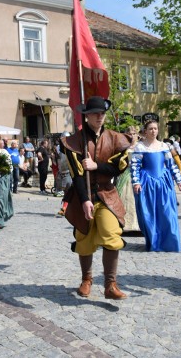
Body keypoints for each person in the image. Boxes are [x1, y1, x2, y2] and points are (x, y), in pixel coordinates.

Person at [61, 96, 132, 300]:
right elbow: (77, 175)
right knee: (84, 238)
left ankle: (110, 284)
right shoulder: (75, 141)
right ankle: (87, 279)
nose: (100, 116)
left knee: (111, 235)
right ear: (87, 116)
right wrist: (84, 200)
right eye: (95, 113)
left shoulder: (115, 138)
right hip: (83, 195)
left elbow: (119, 167)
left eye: (102, 113)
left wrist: (96, 166)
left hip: (107, 194)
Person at [132, 120, 181, 251]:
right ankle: (154, 242)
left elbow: (171, 164)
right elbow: (134, 166)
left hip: (163, 182)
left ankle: (169, 242)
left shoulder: (164, 146)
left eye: (155, 128)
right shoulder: (140, 147)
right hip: (147, 182)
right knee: (149, 212)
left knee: (167, 211)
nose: (153, 131)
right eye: (150, 129)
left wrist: (179, 180)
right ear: (145, 131)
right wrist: (136, 182)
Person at [115, 126, 140, 231]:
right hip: (125, 174)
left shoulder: (141, 147)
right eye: (130, 134)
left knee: (136, 199)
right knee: (125, 197)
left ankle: (138, 223)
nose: (132, 136)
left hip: (138, 175)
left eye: (134, 133)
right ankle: (124, 222)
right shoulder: (123, 147)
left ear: (137, 135)